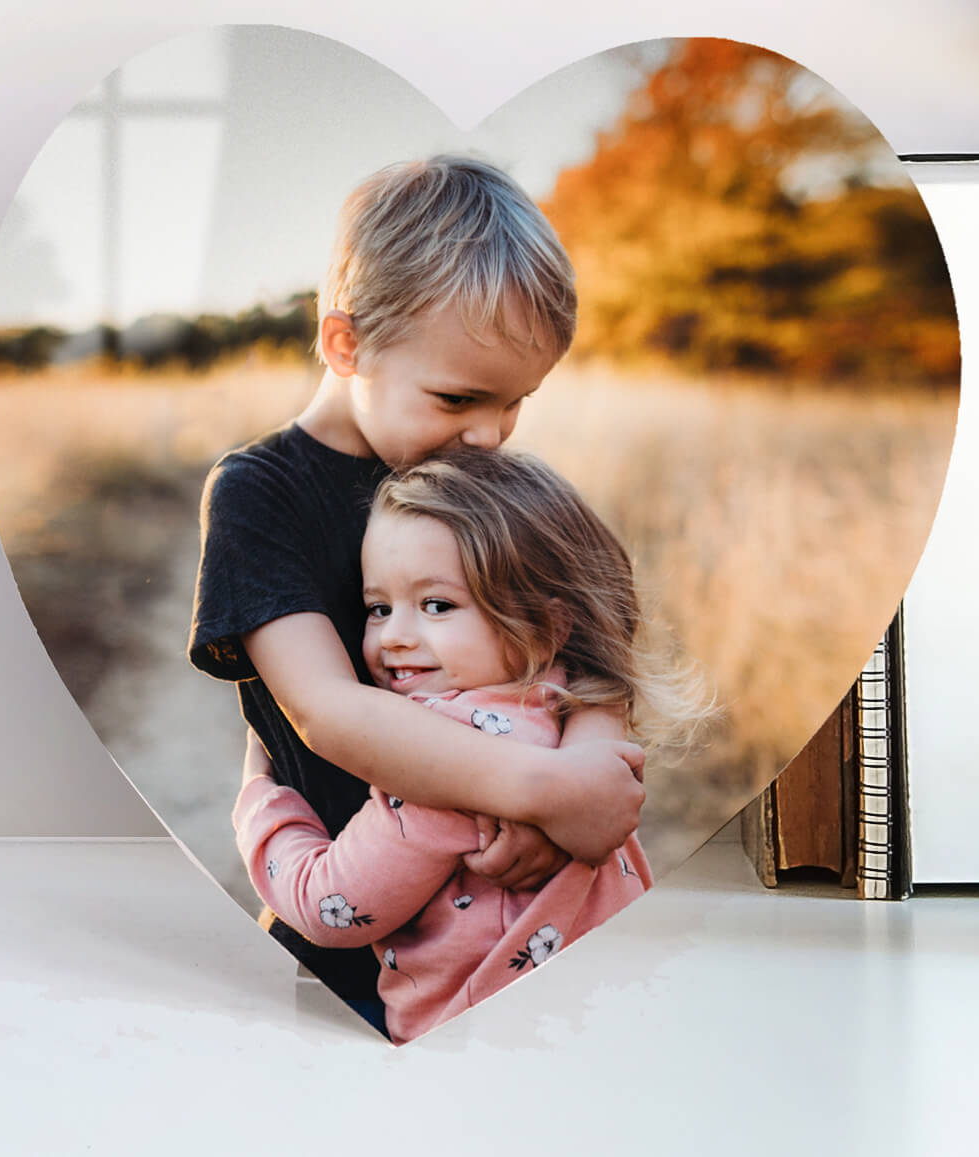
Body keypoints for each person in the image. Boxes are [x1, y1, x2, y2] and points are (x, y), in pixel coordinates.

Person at [188, 155, 649, 1035]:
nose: (488, 434)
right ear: (346, 344)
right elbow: (329, 710)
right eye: (459, 397)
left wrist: (586, 771)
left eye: (516, 403)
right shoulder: (261, 493)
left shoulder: (480, 484)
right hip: (344, 942)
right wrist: (541, 790)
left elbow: (594, 643)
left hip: (519, 931)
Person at [233, 445, 712, 1043]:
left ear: (546, 624)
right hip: (619, 1016)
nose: (394, 638)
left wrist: (261, 801)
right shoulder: (571, 707)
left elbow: (330, 905)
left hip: (479, 1053)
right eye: (378, 608)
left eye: (437, 605)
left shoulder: (443, 763)